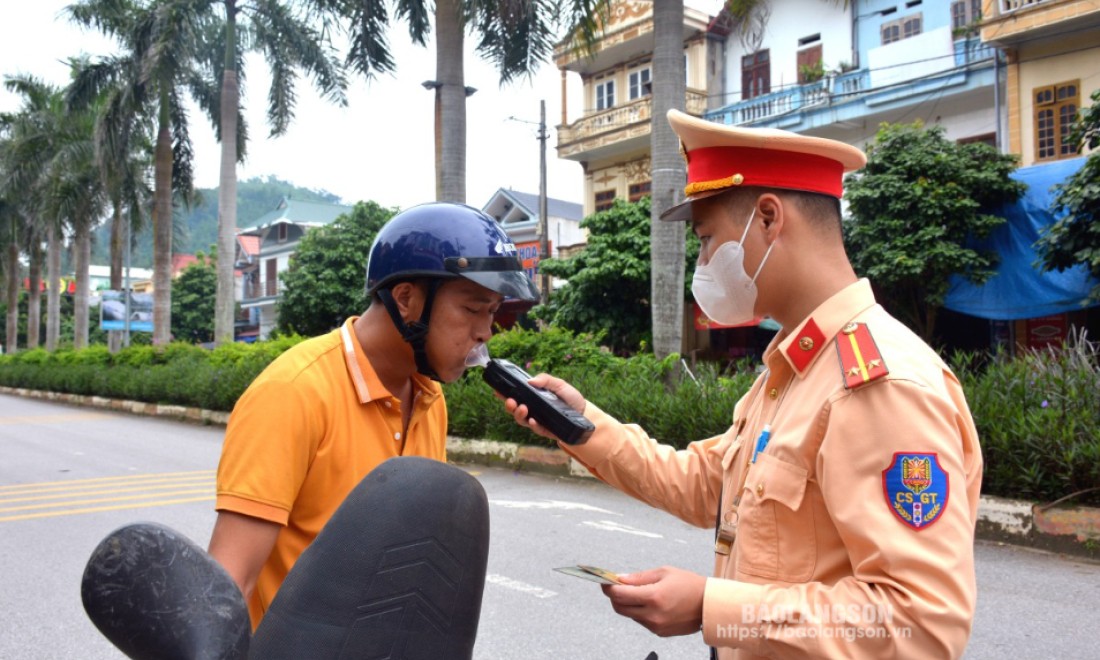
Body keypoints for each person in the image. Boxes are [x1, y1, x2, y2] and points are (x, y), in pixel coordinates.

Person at [504, 110, 983, 658]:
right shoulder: (793, 371)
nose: (703, 263)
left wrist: (712, 609)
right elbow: (709, 484)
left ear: (769, 219)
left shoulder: (878, 384)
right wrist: (582, 426)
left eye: (707, 240)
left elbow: (918, 623)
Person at [208, 202, 539, 628]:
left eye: (492, 313)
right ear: (406, 299)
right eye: (473, 310)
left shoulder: (428, 398)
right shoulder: (293, 393)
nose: (485, 333)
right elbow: (229, 583)